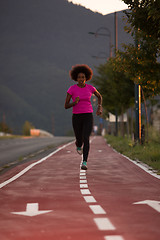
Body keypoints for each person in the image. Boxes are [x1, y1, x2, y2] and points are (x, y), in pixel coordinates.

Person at [64, 64, 102, 170]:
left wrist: (99, 108)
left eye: (83, 77)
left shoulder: (90, 88)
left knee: (86, 137)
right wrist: (74, 103)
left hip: (88, 115)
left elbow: (99, 96)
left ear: (86, 78)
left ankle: (84, 162)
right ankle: (78, 144)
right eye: (79, 77)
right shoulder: (72, 89)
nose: (81, 79)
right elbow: (66, 106)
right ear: (76, 78)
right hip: (76, 116)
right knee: (79, 138)